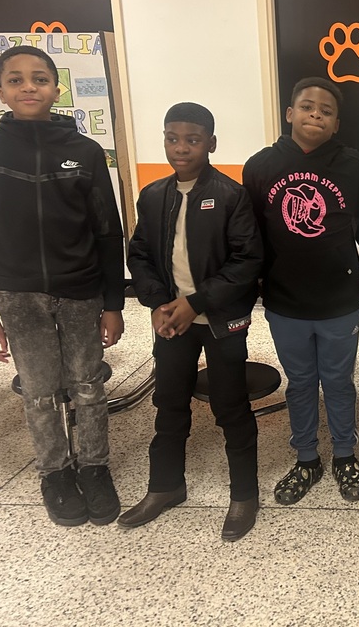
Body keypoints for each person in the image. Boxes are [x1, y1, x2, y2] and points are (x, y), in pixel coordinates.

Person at [0, 45, 125, 526]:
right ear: (2, 90)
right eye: (15, 79)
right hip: (17, 293)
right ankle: (55, 471)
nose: (28, 86)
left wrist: (112, 303)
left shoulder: (85, 152)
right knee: (39, 391)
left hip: (80, 290)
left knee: (89, 385)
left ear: (56, 88)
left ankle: (94, 466)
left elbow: (106, 231)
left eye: (38, 78)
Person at [121, 103, 264, 541]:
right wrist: (161, 304)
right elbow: (140, 253)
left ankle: (244, 494)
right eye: (171, 138)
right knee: (168, 404)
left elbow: (247, 262)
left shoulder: (230, 195)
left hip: (221, 321)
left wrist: (195, 302)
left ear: (211, 144)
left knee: (230, 406)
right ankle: (166, 486)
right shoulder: (153, 195)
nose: (180, 148)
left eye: (192, 140)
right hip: (171, 321)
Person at [243, 77, 359, 504]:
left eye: (326, 110)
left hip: (340, 297)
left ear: (337, 124)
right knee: (300, 382)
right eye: (307, 106)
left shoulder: (352, 164)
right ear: (289, 113)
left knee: (338, 380)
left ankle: (344, 454)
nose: (315, 114)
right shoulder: (261, 166)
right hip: (285, 300)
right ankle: (306, 458)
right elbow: (248, 233)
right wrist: (253, 280)